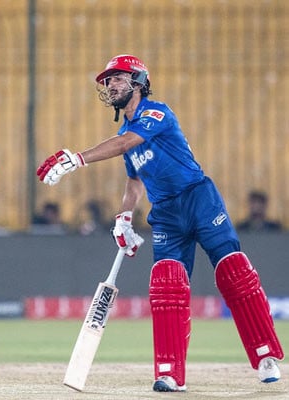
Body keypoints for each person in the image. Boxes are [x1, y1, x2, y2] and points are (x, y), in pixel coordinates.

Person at [36, 54, 283, 392]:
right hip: (166, 213)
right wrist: (125, 216)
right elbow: (135, 178)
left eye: (118, 78)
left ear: (138, 82)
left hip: (198, 199)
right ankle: (170, 372)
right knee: (167, 284)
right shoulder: (124, 132)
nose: (110, 85)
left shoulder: (157, 113)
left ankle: (265, 355)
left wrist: (77, 158)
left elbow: (126, 144)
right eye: (108, 81)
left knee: (233, 271)